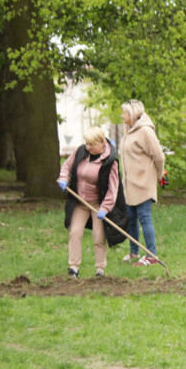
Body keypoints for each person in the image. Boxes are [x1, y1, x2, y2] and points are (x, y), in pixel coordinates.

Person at [57, 126, 125, 277]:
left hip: (97, 205)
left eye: (91, 144)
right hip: (80, 203)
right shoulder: (81, 151)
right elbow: (66, 166)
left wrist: (105, 208)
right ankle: (73, 268)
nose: (87, 147)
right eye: (86, 143)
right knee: (75, 232)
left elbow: (113, 189)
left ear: (101, 143)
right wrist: (63, 178)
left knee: (99, 236)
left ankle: (100, 270)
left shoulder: (110, 161)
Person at [120, 99, 165, 266]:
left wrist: (159, 175)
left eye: (124, 112)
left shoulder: (145, 131)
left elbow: (159, 156)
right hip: (130, 184)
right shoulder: (128, 130)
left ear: (132, 113)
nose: (122, 115)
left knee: (144, 217)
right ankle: (134, 251)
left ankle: (151, 255)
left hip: (143, 182)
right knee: (131, 218)